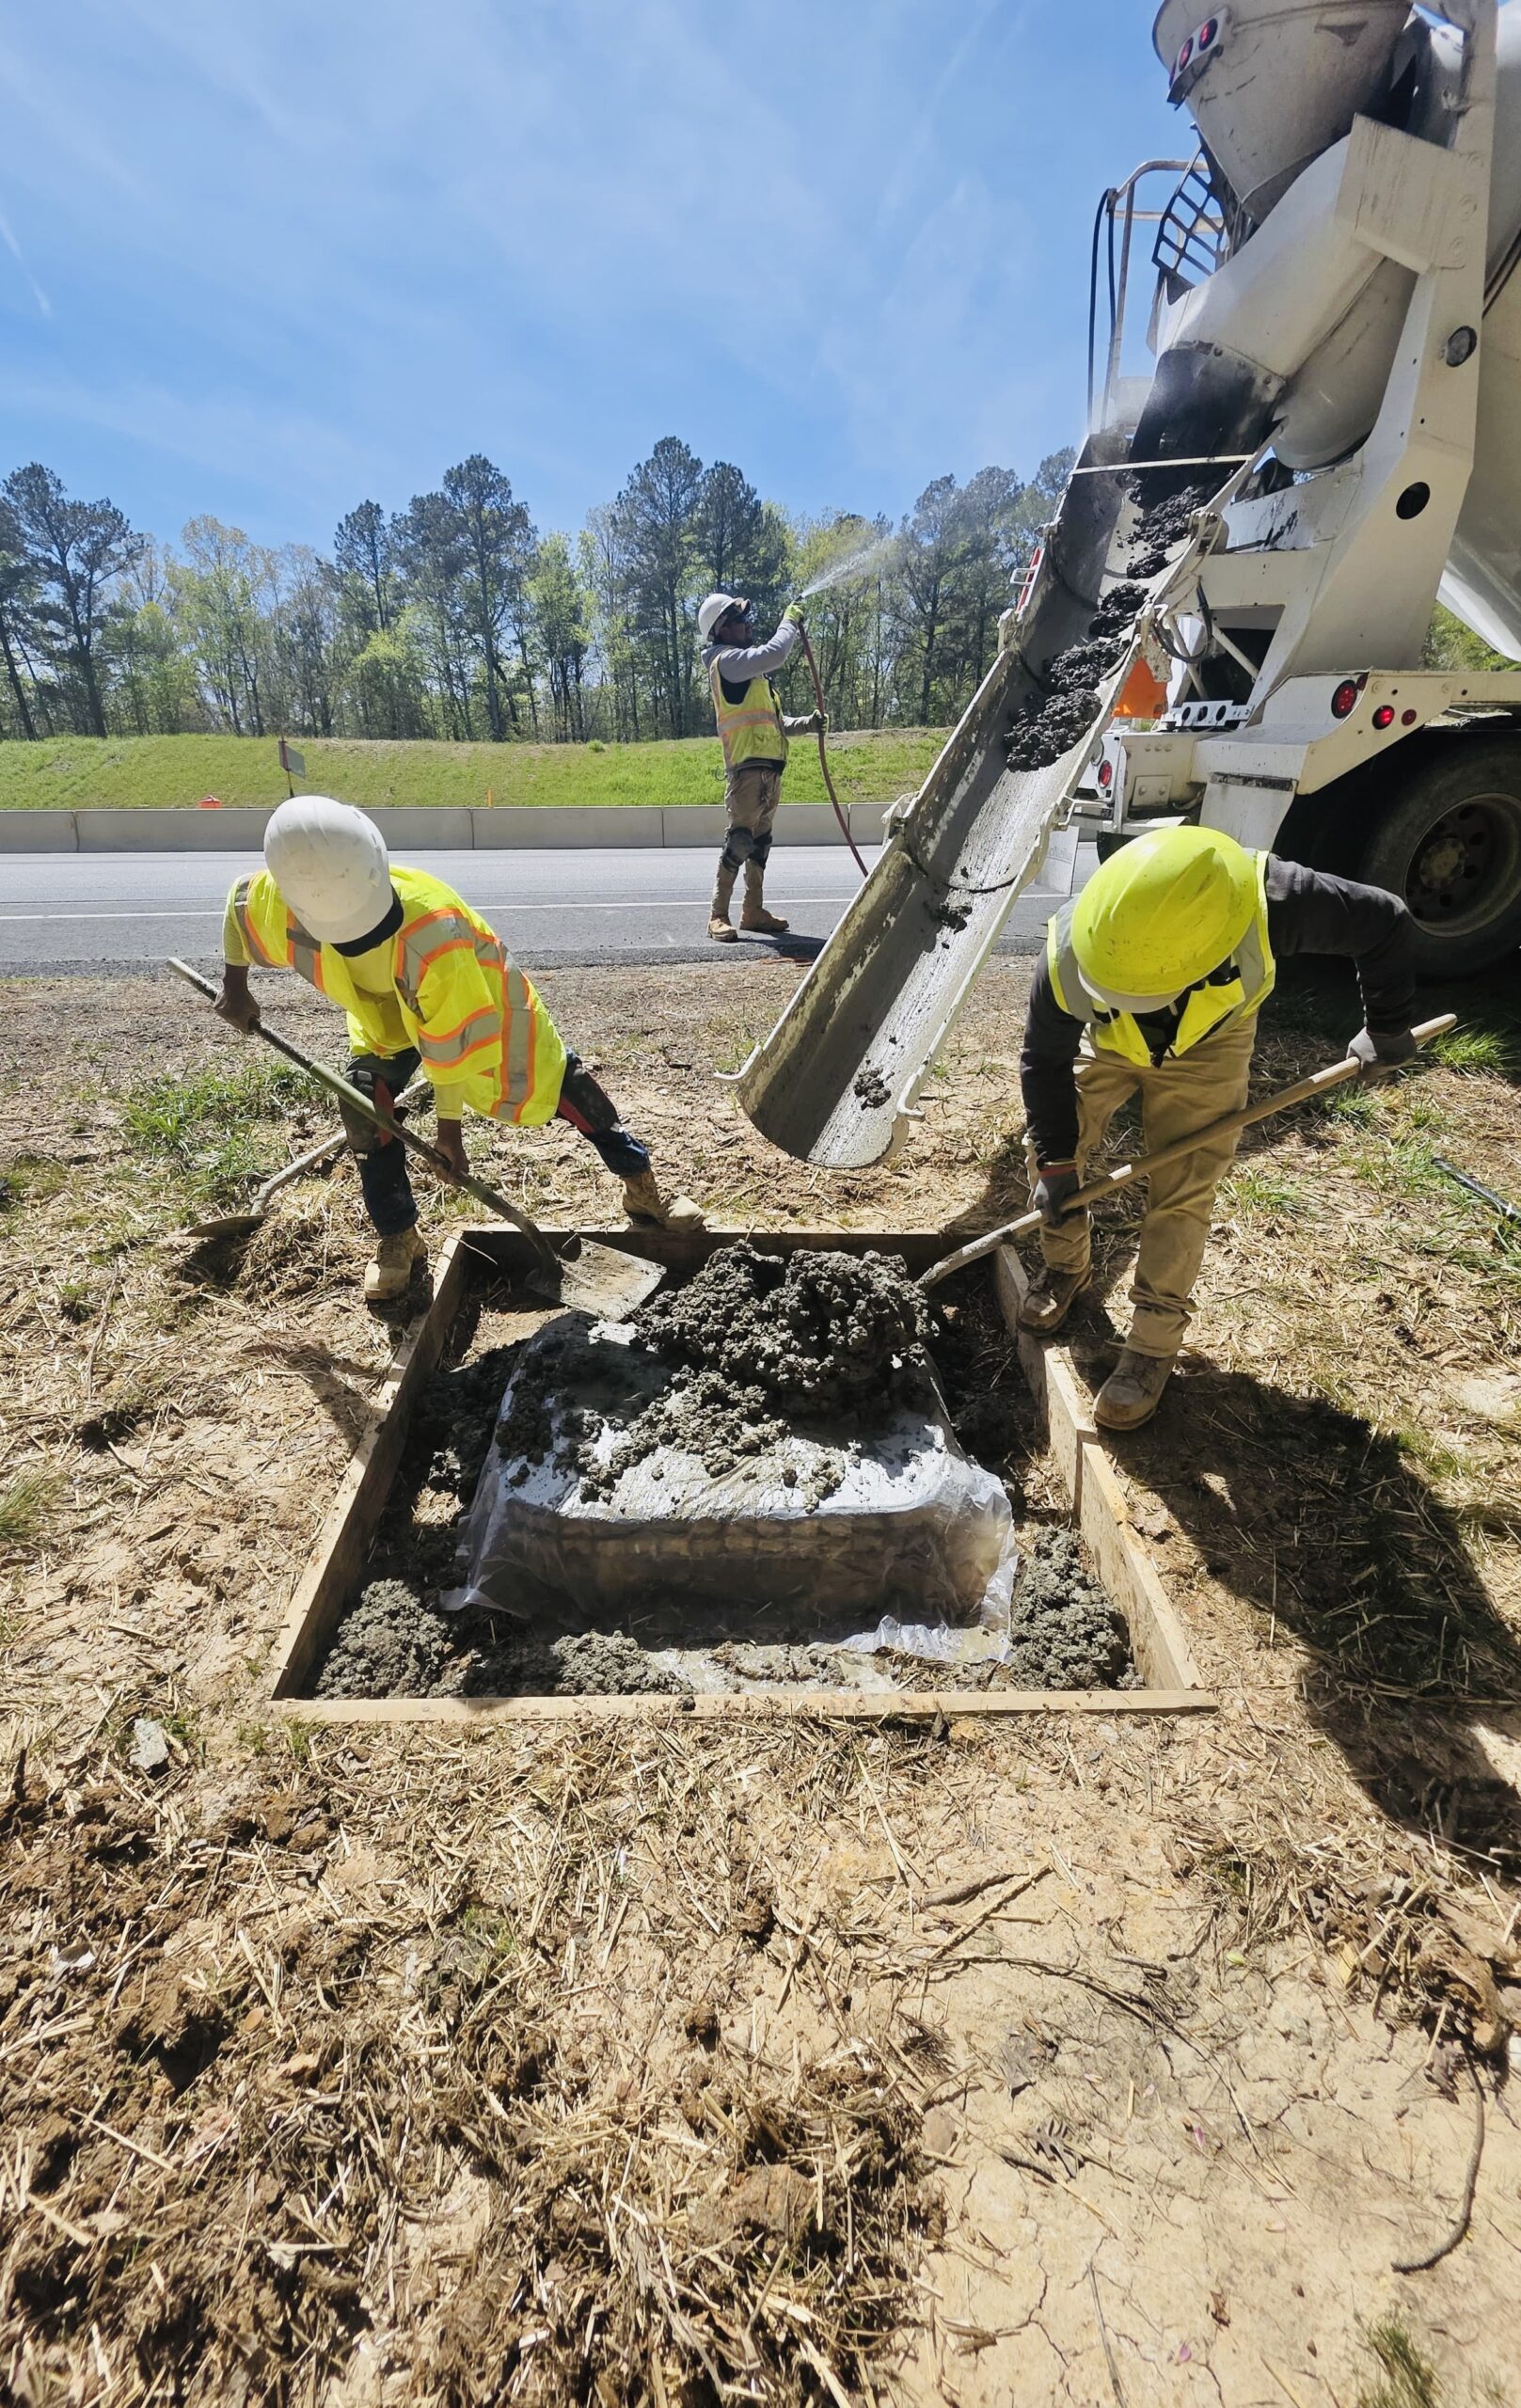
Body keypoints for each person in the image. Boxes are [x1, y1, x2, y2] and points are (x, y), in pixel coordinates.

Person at [216, 796, 704, 1303]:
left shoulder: (433, 928)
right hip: (385, 1019)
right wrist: (234, 984)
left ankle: (641, 1187)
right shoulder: (296, 891)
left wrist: (449, 1134)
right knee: (363, 1104)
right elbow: (239, 904)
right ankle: (399, 1238)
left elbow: (450, 1047)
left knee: (565, 1084)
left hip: (478, 1000)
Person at [1019, 824, 1418, 1430]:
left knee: (1184, 1184)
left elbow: (1384, 921)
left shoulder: (1273, 902)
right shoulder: (1070, 954)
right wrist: (1055, 1164)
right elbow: (1043, 1061)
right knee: (1052, 1146)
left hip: (1211, 1042)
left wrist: (1386, 1027)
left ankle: (1152, 1343)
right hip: (1108, 1041)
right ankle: (1066, 1265)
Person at [697, 591, 826, 943]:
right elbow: (776, 653)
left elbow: (776, 723)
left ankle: (753, 911)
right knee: (739, 840)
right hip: (746, 772)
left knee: (760, 844)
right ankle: (718, 915)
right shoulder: (726, 662)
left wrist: (808, 724)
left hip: (771, 771)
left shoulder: (753, 676)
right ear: (722, 629)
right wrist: (789, 620)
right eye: (739, 620)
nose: (747, 624)